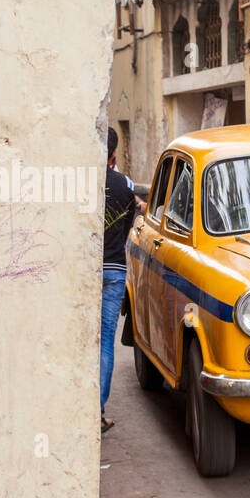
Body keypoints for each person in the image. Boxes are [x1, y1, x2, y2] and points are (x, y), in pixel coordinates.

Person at [100, 127, 137, 433]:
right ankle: (97, 412)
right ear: (113, 152)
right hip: (114, 269)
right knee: (105, 342)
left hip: (87, 269)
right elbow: (127, 228)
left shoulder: (79, 182)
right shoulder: (125, 184)